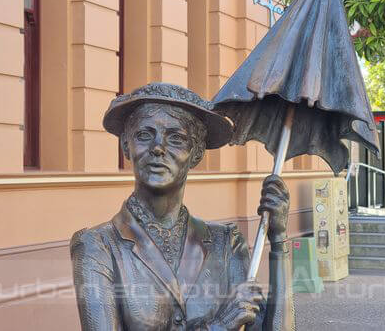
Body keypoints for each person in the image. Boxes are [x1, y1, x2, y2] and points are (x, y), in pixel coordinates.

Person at [70, 83, 295, 330]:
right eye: (144, 134)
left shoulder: (227, 243)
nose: (158, 148)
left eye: (176, 138)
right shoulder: (98, 246)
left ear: (196, 153)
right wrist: (219, 326)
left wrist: (279, 242)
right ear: (126, 145)